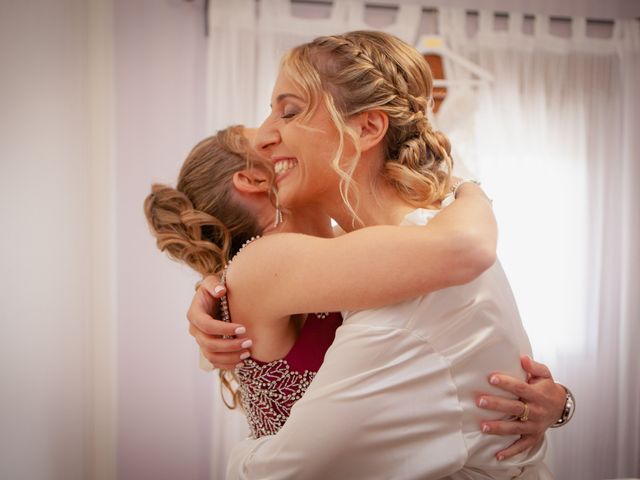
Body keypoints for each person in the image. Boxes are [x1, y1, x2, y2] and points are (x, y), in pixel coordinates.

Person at [181, 31, 572, 479]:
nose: (269, 135)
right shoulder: (419, 243)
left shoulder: (418, 277)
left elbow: (286, 470)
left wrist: (560, 403)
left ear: (367, 128)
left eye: (289, 111)